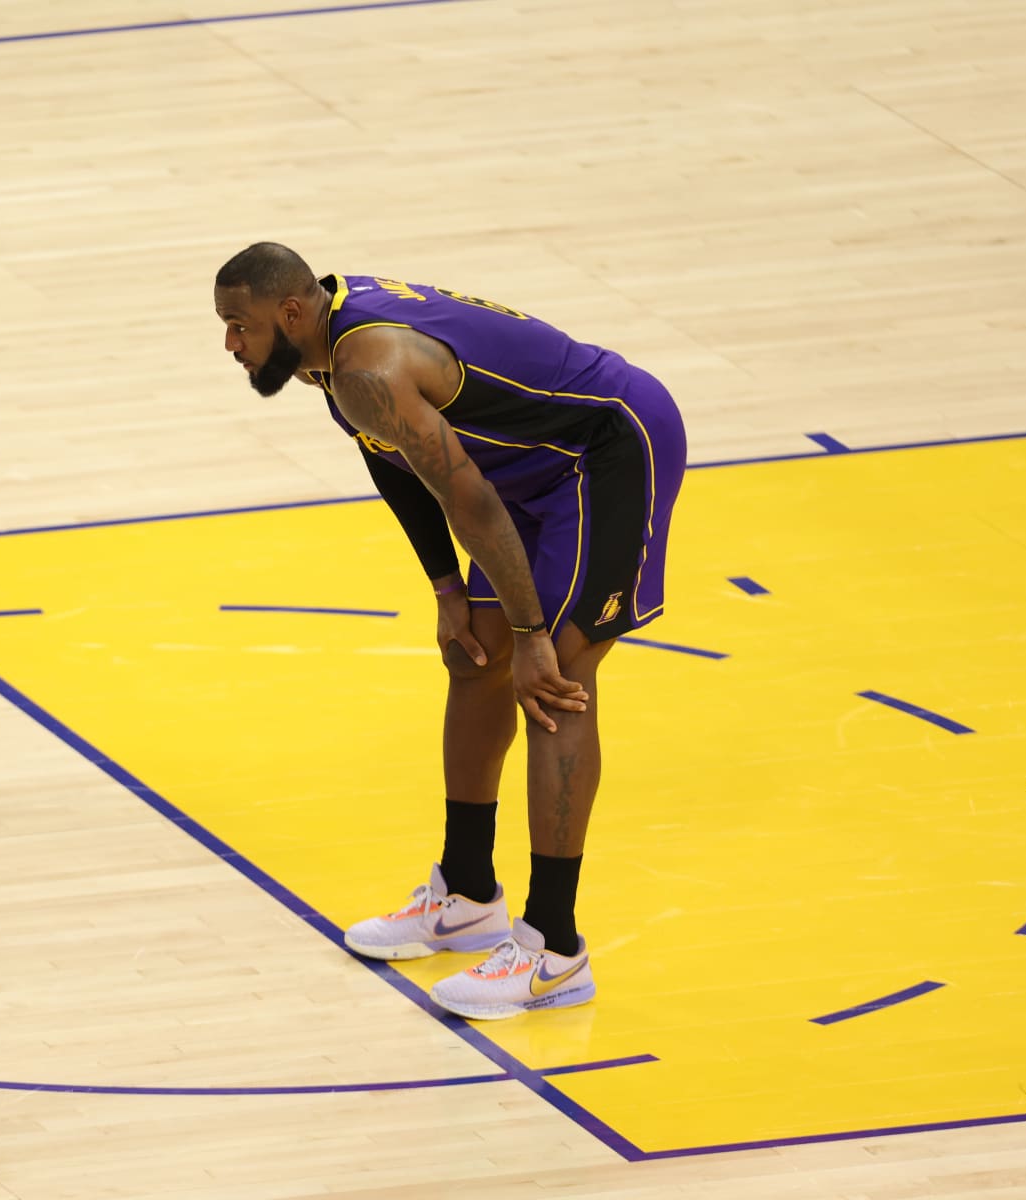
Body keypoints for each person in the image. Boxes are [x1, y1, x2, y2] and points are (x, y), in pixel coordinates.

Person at [212, 242, 687, 1020]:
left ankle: (554, 949)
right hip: (525, 469)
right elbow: (396, 463)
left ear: (289, 313)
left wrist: (532, 632)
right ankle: (468, 894)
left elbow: (468, 497)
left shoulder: (369, 367)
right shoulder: (329, 352)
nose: (232, 345)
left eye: (240, 326)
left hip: (602, 454)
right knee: (476, 658)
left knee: (554, 684)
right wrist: (445, 588)